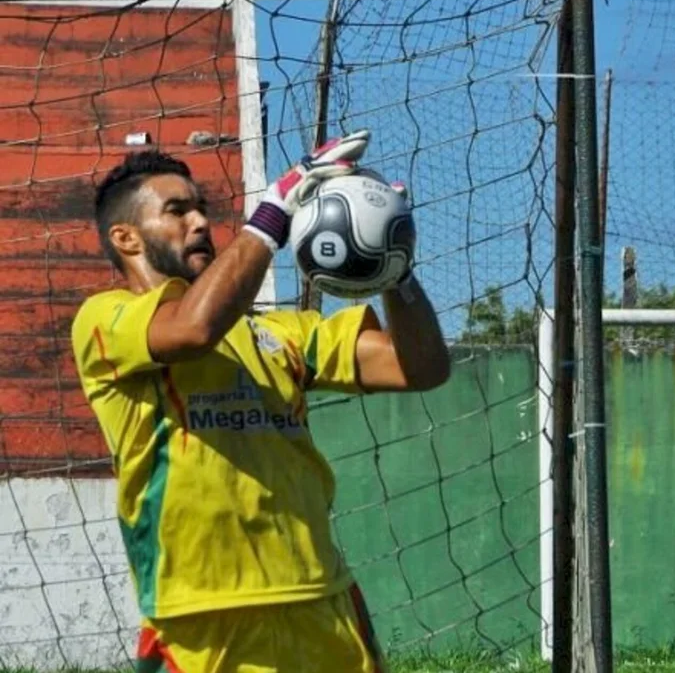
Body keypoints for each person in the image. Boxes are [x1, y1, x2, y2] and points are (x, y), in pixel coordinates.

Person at [70, 130, 450, 673]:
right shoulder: (104, 321)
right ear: (127, 239)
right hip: (201, 624)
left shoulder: (279, 334)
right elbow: (194, 327)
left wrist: (395, 270)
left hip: (323, 604)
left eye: (201, 209)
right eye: (176, 211)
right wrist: (273, 211)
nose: (200, 222)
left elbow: (423, 367)